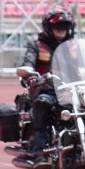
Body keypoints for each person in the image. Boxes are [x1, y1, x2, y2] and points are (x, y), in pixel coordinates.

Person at [18, 9, 74, 159]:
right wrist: (30, 76)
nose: (62, 30)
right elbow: (28, 63)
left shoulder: (72, 47)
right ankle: (39, 149)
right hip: (45, 90)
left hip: (70, 91)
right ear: (48, 28)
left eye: (65, 26)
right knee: (42, 103)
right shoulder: (36, 46)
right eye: (58, 26)